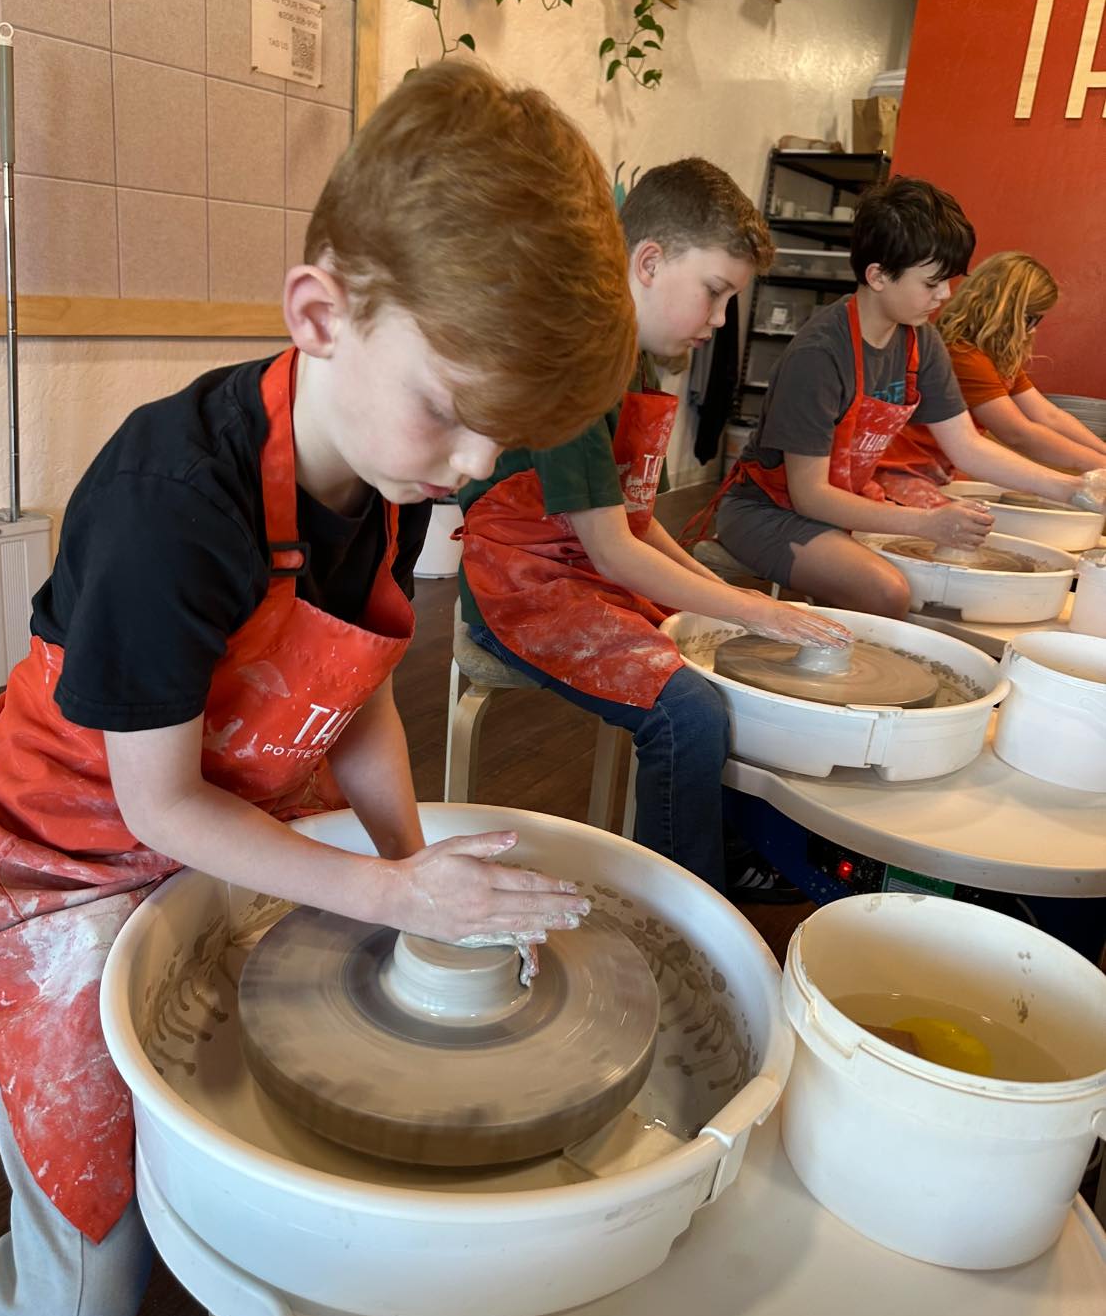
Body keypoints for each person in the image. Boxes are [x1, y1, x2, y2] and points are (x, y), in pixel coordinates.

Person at [0, 62, 638, 1316]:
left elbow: (355, 685)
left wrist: (408, 865)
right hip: (60, 867)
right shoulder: (166, 506)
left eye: (505, 437)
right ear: (319, 313)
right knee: (92, 1274)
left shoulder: (383, 470)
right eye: (449, 408)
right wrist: (380, 896)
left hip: (207, 809)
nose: (471, 460)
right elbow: (162, 807)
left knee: (284, 1099)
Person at [457, 158, 850, 900]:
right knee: (688, 710)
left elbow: (633, 526)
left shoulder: (637, 363)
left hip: (586, 568)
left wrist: (725, 600)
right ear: (648, 262)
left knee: (727, 654)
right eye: (715, 292)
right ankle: (677, 906)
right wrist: (753, 607)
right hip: (519, 586)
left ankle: (722, 848)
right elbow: (613, 548)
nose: (720, 320)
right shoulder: (576, 364)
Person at [702, 178, 1105, 617]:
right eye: (931, 283)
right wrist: (924, 523)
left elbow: (967, 446)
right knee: (889, 591)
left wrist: (1073, 489)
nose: (945, 295)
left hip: (846, 501)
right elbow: (811, 497)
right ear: (877, 276)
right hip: (769, 511)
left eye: (948, 281)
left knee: (947, 581)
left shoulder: (920, 342)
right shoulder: (819, 355)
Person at [874, 251, 1106, 498]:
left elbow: (1050, 416)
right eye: (1030, 318)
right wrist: (1093, 466)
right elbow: (1018, 433)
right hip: (898, 472)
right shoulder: (963, 356)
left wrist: (1103, 453)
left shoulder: (992, 357)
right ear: (1006, 311)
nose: (1032, 329)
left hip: (934, 468)